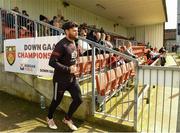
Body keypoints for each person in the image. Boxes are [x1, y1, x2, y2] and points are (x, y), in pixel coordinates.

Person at [46, 21, 82, 131]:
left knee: (78, 99)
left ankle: (67, 119)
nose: (76, 32)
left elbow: (71, 59)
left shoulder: (74, 43)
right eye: (74, 30)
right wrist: (68, 69)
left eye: (77, 30)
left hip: (72, 79)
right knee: (56, 101)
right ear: (67, 31)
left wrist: (75, 67)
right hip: (60, 80)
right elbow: (52, 62)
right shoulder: (61, 44)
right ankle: (49, 117)